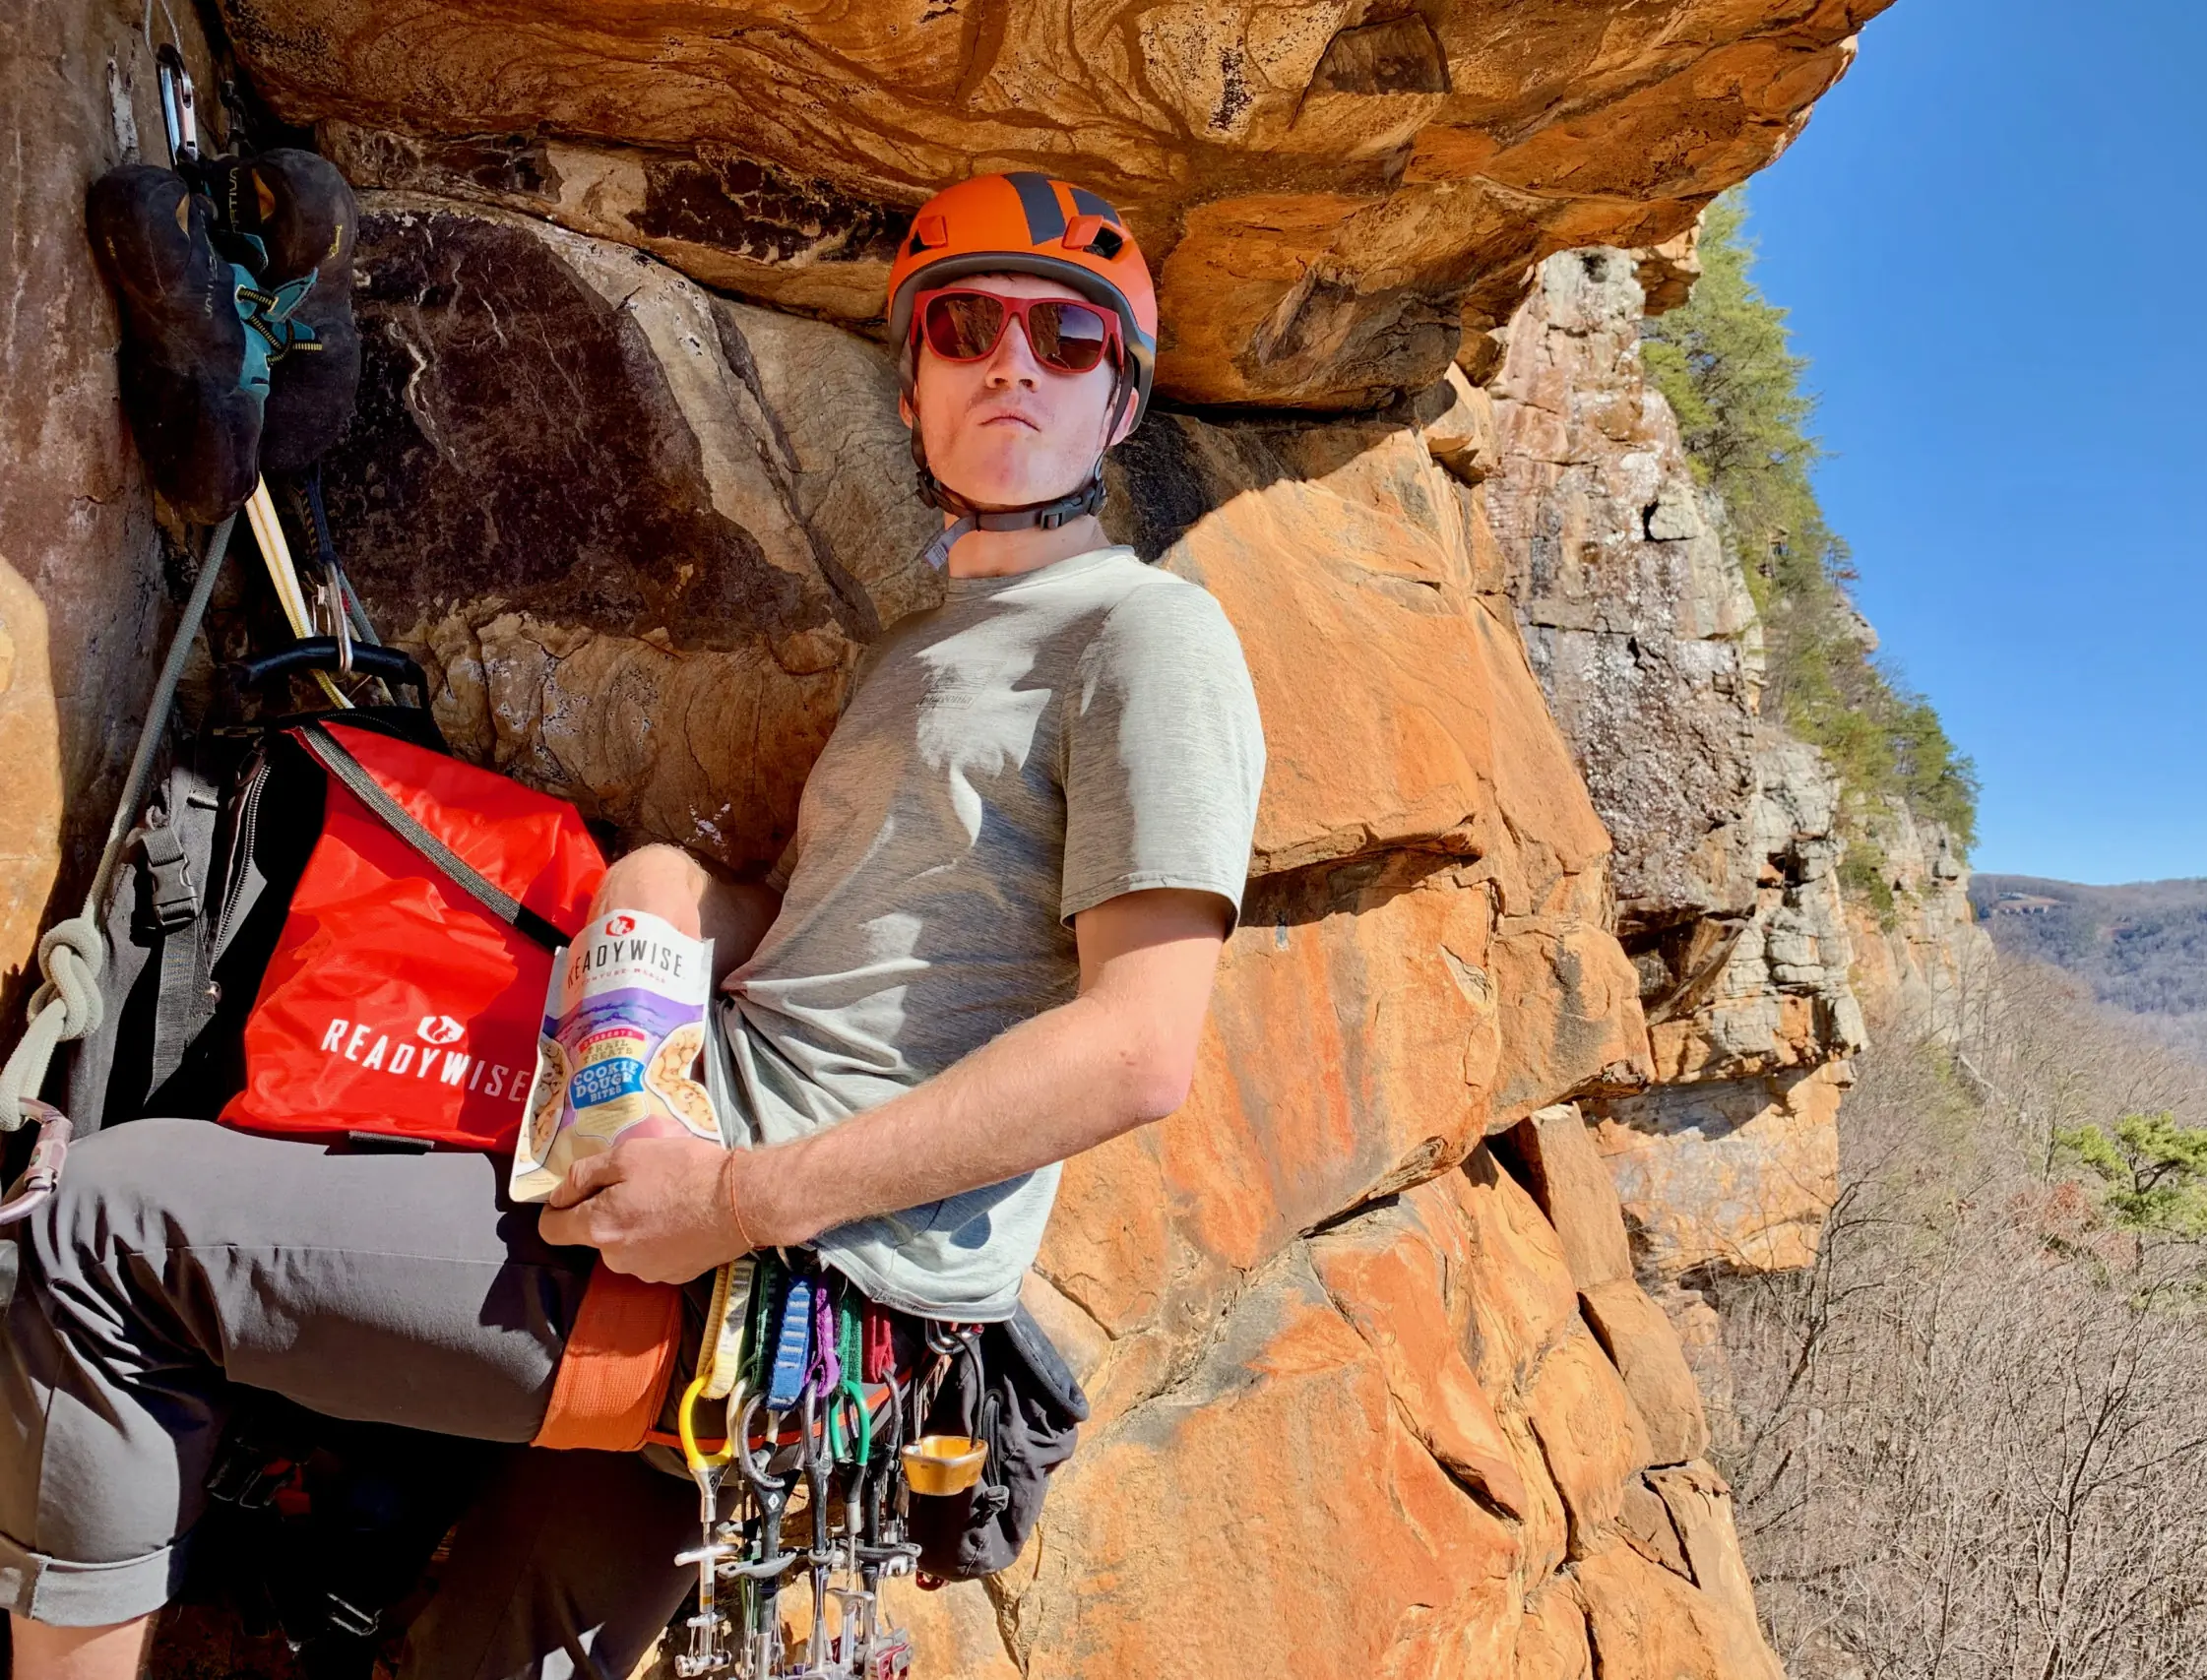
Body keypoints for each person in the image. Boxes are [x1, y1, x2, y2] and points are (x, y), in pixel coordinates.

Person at [0, 171, 1265, 1680]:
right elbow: (826, 939)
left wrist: (740, 1197)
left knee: (97, 1233)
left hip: (766, 1272)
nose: (1014, 363)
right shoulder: (928, 652)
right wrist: (682, 891)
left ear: (1121, 405)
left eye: (1069, 342)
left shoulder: (1150, 637)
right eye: (971, 327)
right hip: (715, 1236)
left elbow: (1136, 1049)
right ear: (916, 380)